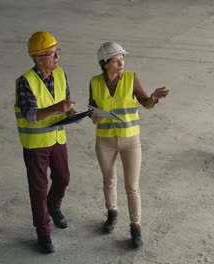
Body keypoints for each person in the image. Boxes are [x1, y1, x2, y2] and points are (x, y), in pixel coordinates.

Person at [88, 42, 169, 249]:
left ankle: (135, 227)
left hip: (130, 140)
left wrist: (154, 97)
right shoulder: (95, 82)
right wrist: (93, 117)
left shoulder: (132, 78)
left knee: (132, 187)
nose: (121, 62)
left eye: (122, 58)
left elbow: (146, 103)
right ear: (105, 63)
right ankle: (112, 213)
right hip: (105, 140)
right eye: (116, 60)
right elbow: (92, 109)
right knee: (109, 180)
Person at [14, 31, 76, 254]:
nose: (57, 56)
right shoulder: (25, 82)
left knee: (63, 177)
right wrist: (57, 108)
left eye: (57, 51)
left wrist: (77, 113)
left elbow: (65, 104)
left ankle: (54, 206)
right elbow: (31, 114)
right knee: (38, 189)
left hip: (58, 139)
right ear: (37, 58)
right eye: (51, 53)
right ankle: (43, 232)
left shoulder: (60, 75)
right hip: (36, 144)